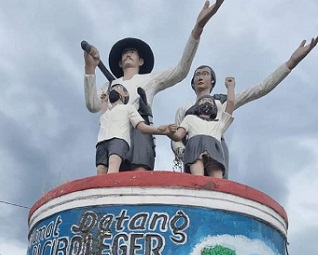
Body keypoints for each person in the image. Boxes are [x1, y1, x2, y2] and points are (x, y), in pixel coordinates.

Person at [84, 0, 225, 172]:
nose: (128, 54)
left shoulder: (149, 80)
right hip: (112, 136)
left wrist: (198, 27)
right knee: (108, 181)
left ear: (140, 60)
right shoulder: (109, 86)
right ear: (120, 62)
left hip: (140, 135)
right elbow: (92, 105)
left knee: (138, 180)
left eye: (132, 52)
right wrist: (90, 69)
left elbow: (181, 70)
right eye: (124, 53)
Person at [171, 37, 318, 177]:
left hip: (214, 149)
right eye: (197, 75)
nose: (200, 77)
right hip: (192, 152)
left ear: (213, 80)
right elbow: (176, 136)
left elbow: (260, 89)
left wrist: (291, 62)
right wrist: (183, 152)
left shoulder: (221, 102)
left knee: (217, 185)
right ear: (192, 82)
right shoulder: (184, 109)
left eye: (205, 74)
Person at [167, 77, 235, 177]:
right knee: (197, 179)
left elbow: (230, 104)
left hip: (214, 148)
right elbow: (178, 136)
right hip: (195, 147)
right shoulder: (189, 118)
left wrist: (230, 87)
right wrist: (169, 132)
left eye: (210, 101)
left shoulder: (218, 123)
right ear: (197, 107)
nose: (207, 101)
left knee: (217, 181)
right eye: (203, 100)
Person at [96, 84, 170, 175]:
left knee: (113, 164)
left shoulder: (128, 108)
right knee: (101, 168)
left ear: (125, 94)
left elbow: (141, 127)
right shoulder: (107, 112)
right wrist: (104, 102)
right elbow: (103, 115)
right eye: (112, 89)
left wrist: (159, 130)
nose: (113, 90)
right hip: (102, 141)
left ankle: (110, 187)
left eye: (117, 88)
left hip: (118, 139)